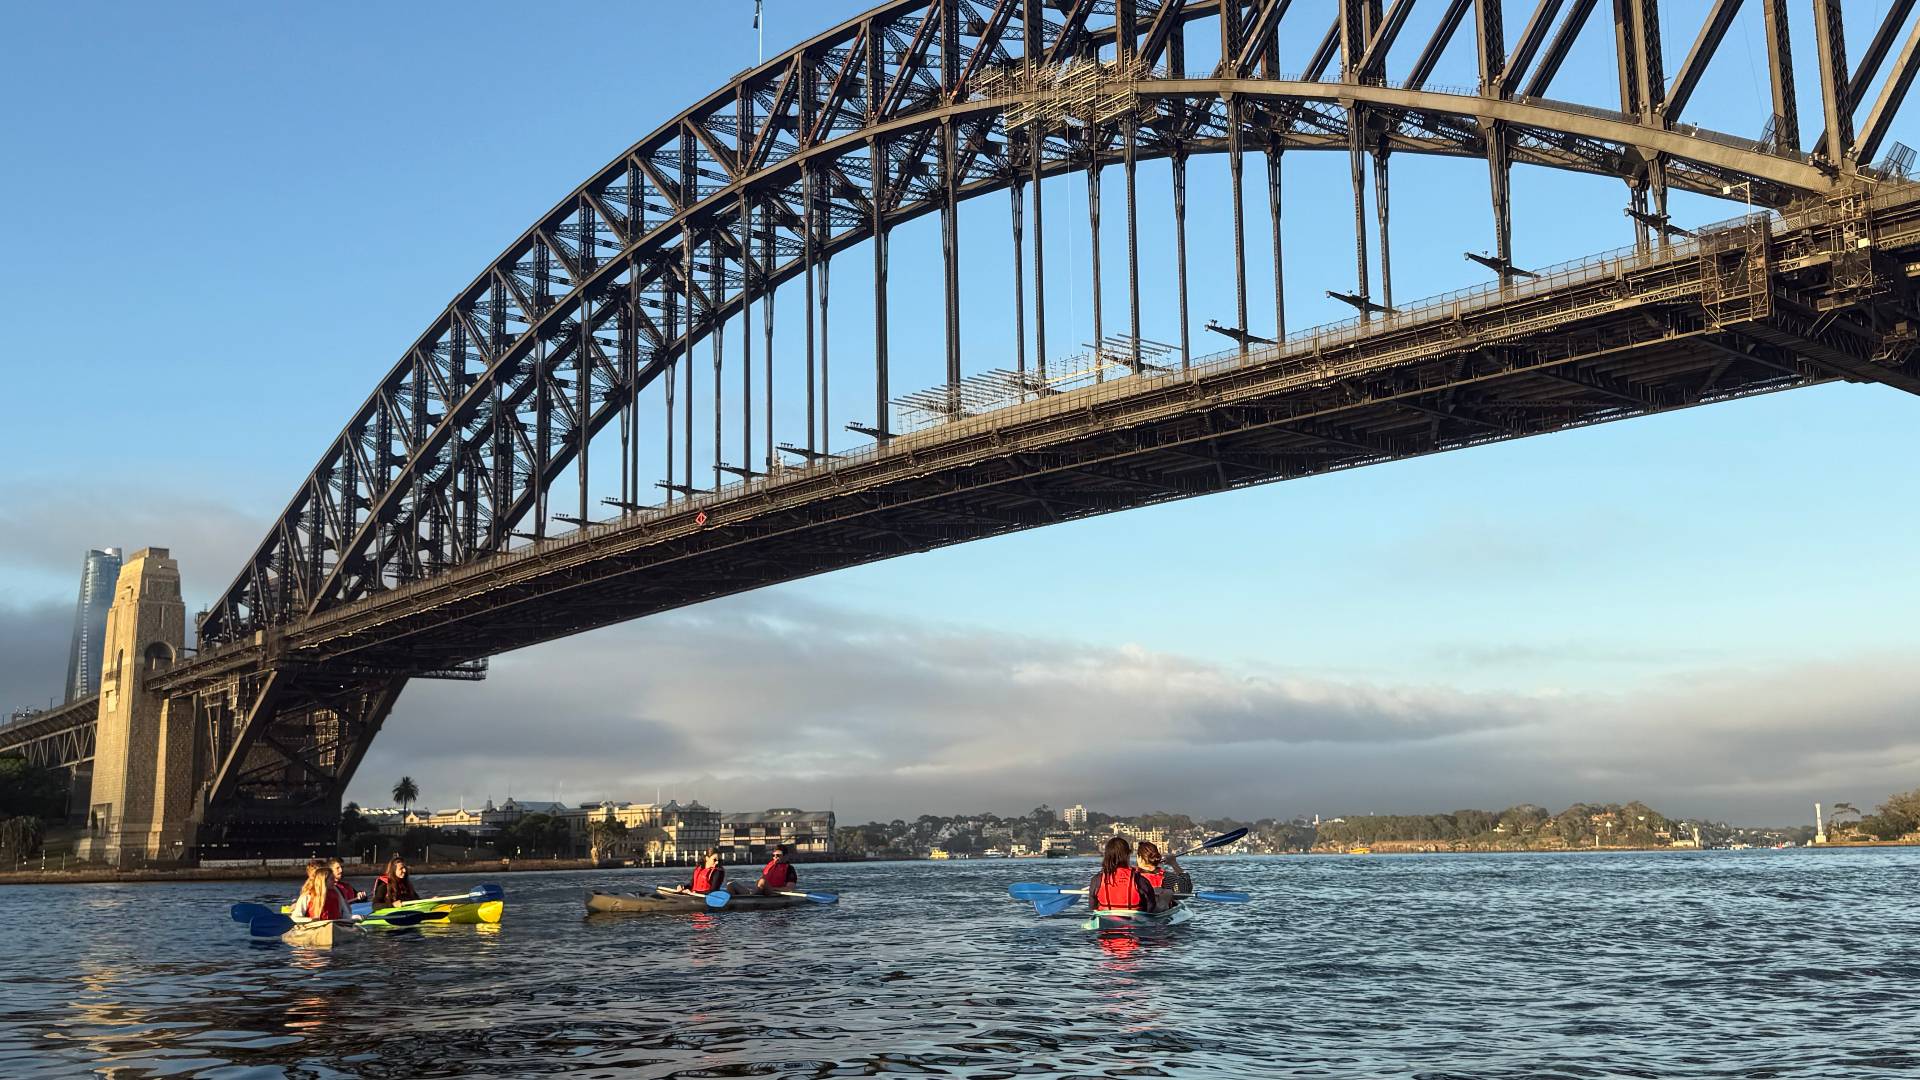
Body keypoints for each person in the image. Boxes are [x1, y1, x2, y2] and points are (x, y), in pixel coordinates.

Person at [1088, 836, 1156, 912]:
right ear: (1127, 855)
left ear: (1106, 855)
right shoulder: (1140, 880)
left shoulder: (1096, 880)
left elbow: (1092, 907)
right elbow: (1151, 906)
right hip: (1135, 920)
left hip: (1106, 919)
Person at [1133, 840, 1191, 911]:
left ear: (1140, 858)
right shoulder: (1167, 877)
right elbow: (1186, 890)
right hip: (1158, 914)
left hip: (1135, 912)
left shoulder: (1130, 876)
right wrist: (1174, 863)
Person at [662, 848, 728, 897]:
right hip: (694, 894)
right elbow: (691, 885)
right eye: (715, 860)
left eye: (719, 860)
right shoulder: (698, 869)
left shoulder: (718, 872)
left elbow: (714, 891)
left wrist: (694, 892)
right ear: (707, 858)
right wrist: (683, 887)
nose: (717, 862)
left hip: (704, 897)